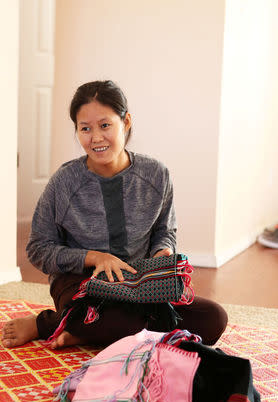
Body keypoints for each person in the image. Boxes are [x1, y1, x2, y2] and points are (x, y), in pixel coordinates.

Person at [2, 80, 227, 349]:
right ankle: (50, 323)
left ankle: (77, 330)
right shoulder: (64, 183)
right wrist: (94, 257)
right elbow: (39, 249)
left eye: (105, 125)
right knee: (106, 318)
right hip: (82, 286)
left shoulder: (156, 175)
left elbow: (164, 232)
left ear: (126, 121)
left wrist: (162, 253)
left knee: (213, 319)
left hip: (138, 283)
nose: (95, 137)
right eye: (85, 129)